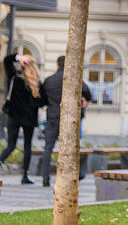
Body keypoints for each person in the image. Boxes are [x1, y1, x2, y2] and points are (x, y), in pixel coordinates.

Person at [39, 55, 92, 187]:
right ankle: (73, 175)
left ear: (57, 65)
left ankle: (45, 178)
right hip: (68, 119)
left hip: (52, 118)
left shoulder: (49, 80)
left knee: (48, 148)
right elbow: (88, 94)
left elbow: (42, 100)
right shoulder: (74, 79)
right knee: (70, 148)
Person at [0, 53, 44, 184]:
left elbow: (6, 60)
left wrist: (18, 57)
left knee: (11, 145)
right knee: (27, 147)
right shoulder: (36, 84)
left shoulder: (14, 77)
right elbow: (41, 102)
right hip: (29, 118)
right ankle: (25, 176)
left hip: (14, 116)